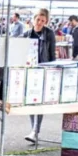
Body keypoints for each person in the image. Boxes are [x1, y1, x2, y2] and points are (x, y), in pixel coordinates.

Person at [23, 9, 56, 144]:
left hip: (44, 69)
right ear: (33, 19)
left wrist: (53, 69)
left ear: (46, 22)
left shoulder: (49, 34)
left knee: (40, 101)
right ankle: (34, 130)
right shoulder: (26, 35)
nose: (40, 23)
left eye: (43, 21)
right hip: (30, 70)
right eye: (38, 20)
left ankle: (35, 130)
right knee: (31, 100)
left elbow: (52, 53)